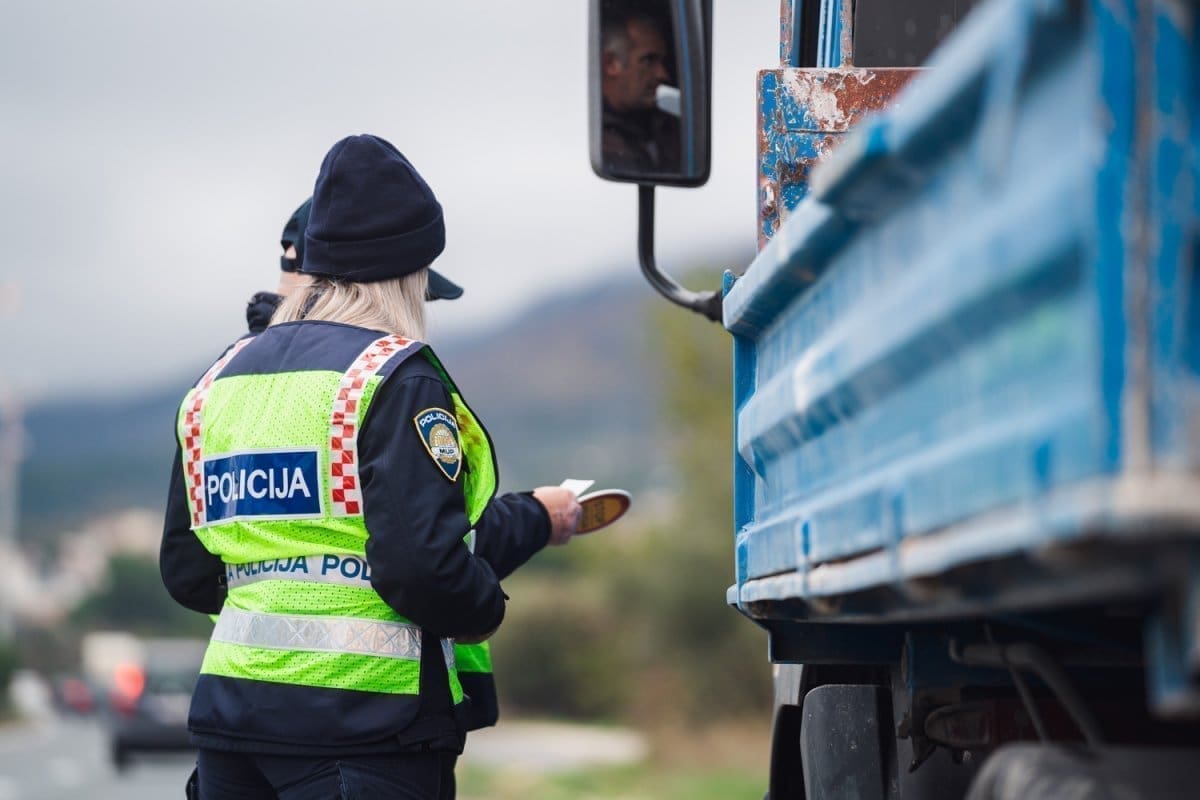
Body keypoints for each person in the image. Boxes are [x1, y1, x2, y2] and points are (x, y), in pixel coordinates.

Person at [161, 133, 582, 799]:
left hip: (230, 731)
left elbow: (186, 570)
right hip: (365, 736)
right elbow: (422, 565)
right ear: (411, 270)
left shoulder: (218, 382)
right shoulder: (391, 376)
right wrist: (482, 606)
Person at [600, 5, 681, 174]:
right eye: (649, 60)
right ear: (611, 64)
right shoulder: (600, 140)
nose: (663, 75)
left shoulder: (669, 125)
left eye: (662, 63)